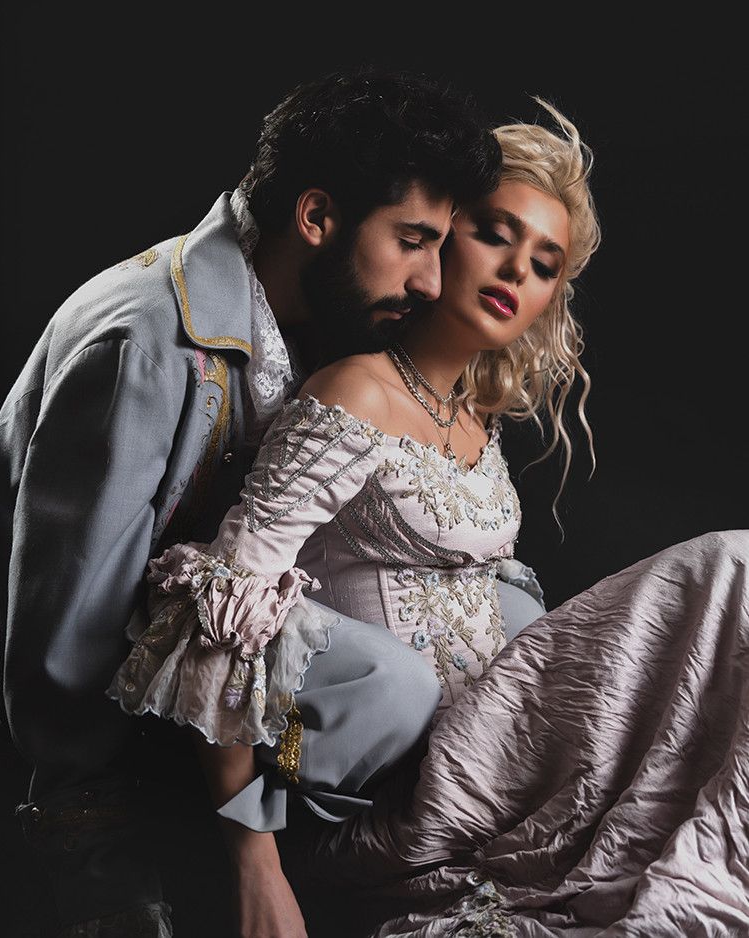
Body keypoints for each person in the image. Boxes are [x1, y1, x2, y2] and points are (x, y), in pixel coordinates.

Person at [110, 100, 748, 937]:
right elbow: (219, 610)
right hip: (355, 788)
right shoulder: (356, 393)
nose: (515, 271)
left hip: (491, 761)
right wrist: (252, 860)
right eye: (495, 234)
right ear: (443, 236)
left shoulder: (476, 423)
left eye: (544, 264)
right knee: (729, 568)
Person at [0, 67, 505, 937]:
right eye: (413, 241)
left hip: (217, 652)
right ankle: (237, 838)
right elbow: (61, 643)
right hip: (121, 715)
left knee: (496, 620)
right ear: (316, 217)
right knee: (387, 686)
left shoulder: (317, 313)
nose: (431, 280)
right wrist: (102, 859)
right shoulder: (145, 345)